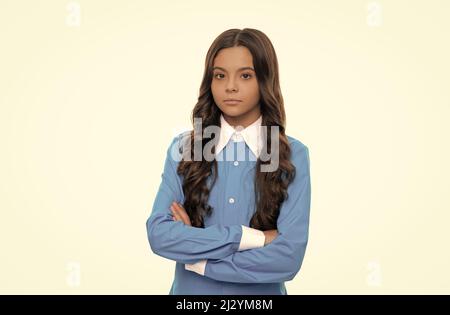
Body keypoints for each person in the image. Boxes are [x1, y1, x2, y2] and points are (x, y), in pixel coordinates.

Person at [146, 28, 311, 295]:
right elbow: (160, 236)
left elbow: (287, 259)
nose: (230, 86)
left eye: (245, 75)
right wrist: (254, 238)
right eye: (220, 75)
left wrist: (198, 258)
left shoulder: (293, 155)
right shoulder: (184, 148)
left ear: (264, 80)